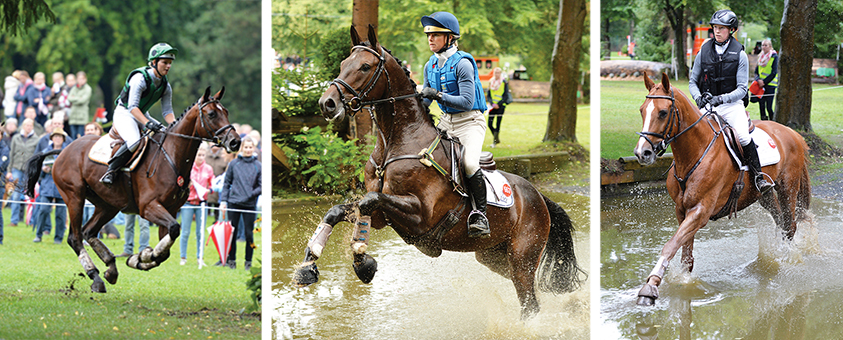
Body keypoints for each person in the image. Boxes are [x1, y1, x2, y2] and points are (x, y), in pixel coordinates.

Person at [419, 11, 490, 237]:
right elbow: (425, 100)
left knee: (468, 163)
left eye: (436, 35)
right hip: (445, 122)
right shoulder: (430, 65)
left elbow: (466, 101)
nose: (430, 39)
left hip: (470, 122)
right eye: (428, 35)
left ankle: (481, 215)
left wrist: (437, 95)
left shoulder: (463, 64)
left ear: (450, 38)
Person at [689, 9, 773, 194]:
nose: (717, 31)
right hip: (708, 106)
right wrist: (698, 97)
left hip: (731, 106)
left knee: (743, 136)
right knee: (691, 134)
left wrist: (721, 98)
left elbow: (742, 89)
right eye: (715, 28)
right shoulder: (703, 51)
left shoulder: (740, 55)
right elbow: (693, 82)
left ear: (732, 30)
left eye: (722, 28)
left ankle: (759, 177)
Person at [101, 43, 178, 186]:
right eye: (165, 62)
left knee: (163, 135)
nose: (168, 66)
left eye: (170, 63)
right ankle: (111, 171)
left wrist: (174, 127)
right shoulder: (139, 78)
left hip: (141, 114)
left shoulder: (166, 86)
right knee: (134, 141)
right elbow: (132, 107)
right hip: (124, 113)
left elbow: (167, 112)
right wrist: (148, 123)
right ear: (154, 62)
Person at [220, 137, 261, 270]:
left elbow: (262, 186)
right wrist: (224, 201)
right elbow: (226, 183)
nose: (248, 150)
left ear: (253, 148)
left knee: (249, 234)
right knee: (233, 232)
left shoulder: (258, 166)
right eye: (246, 147)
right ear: (241, 148)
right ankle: (232, 260)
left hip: (249, 204)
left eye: (250, 147)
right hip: (234, 202)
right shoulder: (234, 164)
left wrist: (250, 194)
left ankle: (248, 262)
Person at [179, 143, 214, 267]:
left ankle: (200, 257)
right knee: (186, 231)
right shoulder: (188, 168)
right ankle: (183, 257)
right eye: (199, 155)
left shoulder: (208, 169)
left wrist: (209, 190)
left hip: (202, 203)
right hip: (188, 203)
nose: (201, 157)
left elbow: (212, 184)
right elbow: (181, 184)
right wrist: (187, 186)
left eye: (203, 155)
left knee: (200, 232)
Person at [33, 130, 68, 244]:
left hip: (62, 186)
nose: (57, 139)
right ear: (52, 138)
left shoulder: (67, 151)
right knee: (43, 210)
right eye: (55, 136)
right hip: (47, 185)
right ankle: (38, 235)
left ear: (63, 139)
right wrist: (43, 171)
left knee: (60, 214)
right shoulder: (45, 152)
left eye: (60, 137)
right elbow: (37, 173)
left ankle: (58, 238)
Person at [6, 118, 39, 226]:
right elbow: (11, 154)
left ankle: (31, 221)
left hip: (29, 171)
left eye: (30, 125)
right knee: (15, 195)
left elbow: (37, 156)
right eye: (26, 125)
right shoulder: (16, 138)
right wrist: (9, 170)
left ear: (32, 127)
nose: (28, 127)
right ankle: (14, 220)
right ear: (23, 126)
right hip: (16, 168)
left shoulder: (36, 139)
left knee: (30, 195)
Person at [486, 67, 511, 148]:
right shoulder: (491, 82)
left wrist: (498, 104)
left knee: (498, 124)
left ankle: (494, 142)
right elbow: (489, 95)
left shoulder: (504, 82)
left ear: (500, 74)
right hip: (492, 106)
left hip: (500, 106)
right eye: (495, 73)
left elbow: (506, 95)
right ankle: (496, 138)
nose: (497, 74)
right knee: (489, 124)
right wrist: (492, 104)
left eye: (498, 73)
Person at [754, 39, 778, 121]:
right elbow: (756, 72)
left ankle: (772, 122)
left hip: (770, 85)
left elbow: (774, 72)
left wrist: (764, 82)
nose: (763, 47)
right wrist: (758, 80)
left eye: (765, 45)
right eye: (762, 45)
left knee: (769, 107)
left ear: (770, 47)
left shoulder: (774, 56)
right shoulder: (760, 57)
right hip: (760, 85)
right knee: (761, 106)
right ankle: (764, 123)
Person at [68, 71, 92, 139]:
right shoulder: (74, 88)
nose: (81, 81)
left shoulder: (88, 88)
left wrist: (74, 99)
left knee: (81, 137)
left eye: (82, 79)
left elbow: (83, 100)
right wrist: (79, 98)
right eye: (79, 79)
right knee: (73, 136)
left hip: (82, 117)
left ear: (85, 79)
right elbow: (69, 98)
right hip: (73, 116)